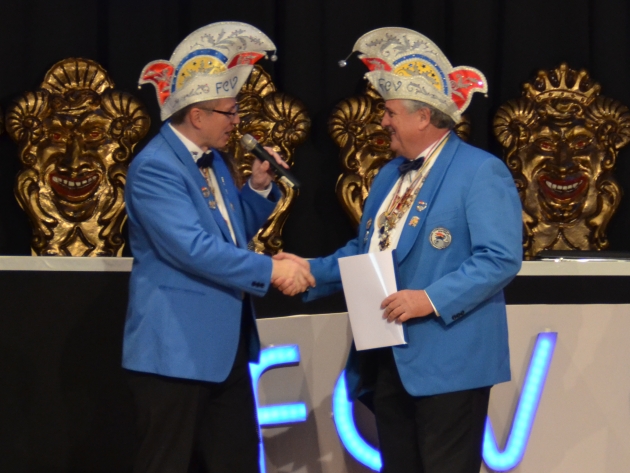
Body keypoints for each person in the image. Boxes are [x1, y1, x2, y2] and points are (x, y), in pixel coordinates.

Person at [276, 27, 523, 472]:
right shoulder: (390, 174)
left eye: (390, 112)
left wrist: (429, 299)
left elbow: (500, 258)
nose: (383, 121)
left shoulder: (480, 171)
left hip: (450, 363)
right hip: (389, 358)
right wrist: (311, 270)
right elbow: (366, 250)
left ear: (423, 117)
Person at [122, 22, 313, 473]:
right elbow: (192, 248)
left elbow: (229, 234)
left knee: (237, 460)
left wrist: (259, 187)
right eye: (229, 112)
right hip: (175, 353)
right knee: (167, 464)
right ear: (196, 115)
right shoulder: (155, 168)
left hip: (223, 349)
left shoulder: (215, 162)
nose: (237, 121)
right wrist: (270, 270)